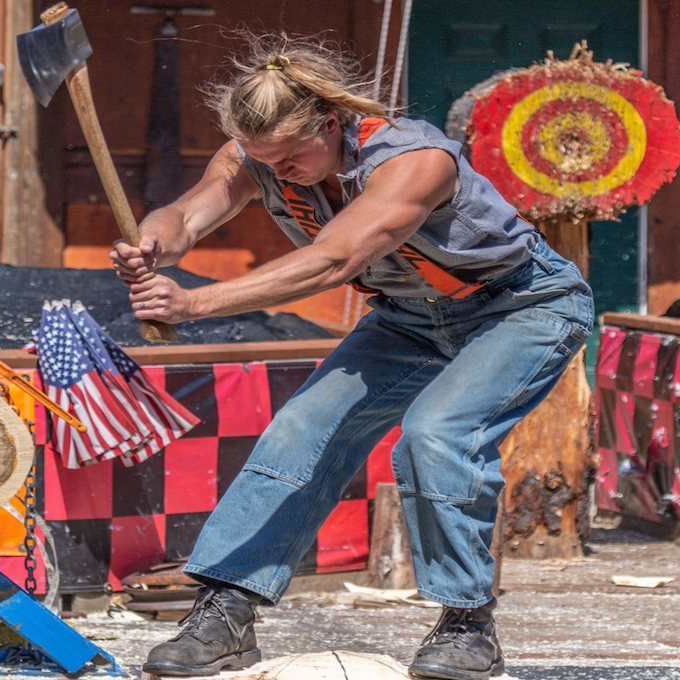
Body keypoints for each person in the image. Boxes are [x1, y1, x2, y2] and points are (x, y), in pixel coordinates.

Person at [110, 32, 594, 680]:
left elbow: (334, 258)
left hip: (520, 308)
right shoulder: (255, 154)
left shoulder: (415, 159)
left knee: (437, 432)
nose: (277, 171)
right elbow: (189, 215)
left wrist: (195, 305)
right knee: (301, 429)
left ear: (331, 122)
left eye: (290, 155)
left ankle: (467, 627)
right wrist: (152, 243)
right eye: (263, 159)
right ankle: (226, 612)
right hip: (409, 318)